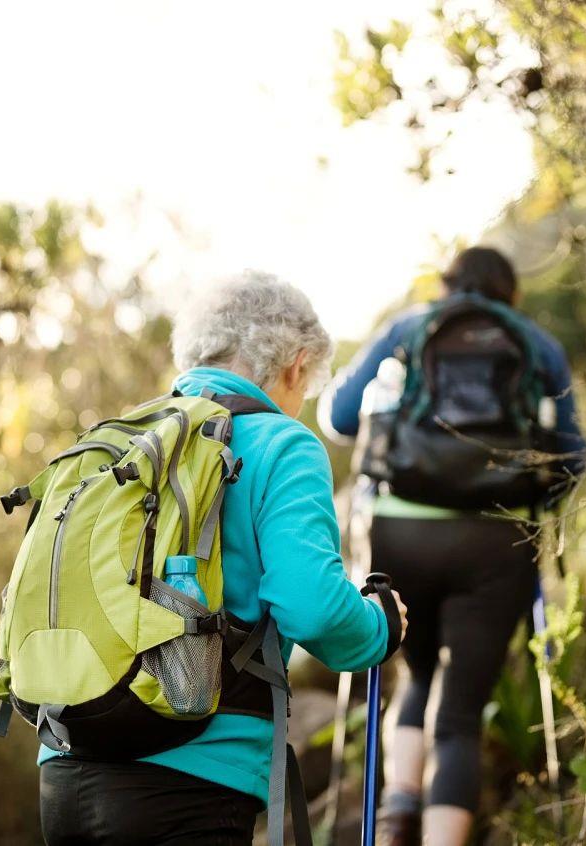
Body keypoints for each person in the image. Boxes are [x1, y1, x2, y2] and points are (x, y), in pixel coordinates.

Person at [39, 271, 408, 845]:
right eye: (305, 383)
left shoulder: (124, 440)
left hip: (65, 767)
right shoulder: (280, 444)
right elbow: (314, 609)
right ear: (296, 363)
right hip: (191, 779)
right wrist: (380, 627)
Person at [318, 246, 586, 846]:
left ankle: (395, 822)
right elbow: (573, 457)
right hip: (497, 537)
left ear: (449, 286)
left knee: (415, 676)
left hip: (399, 531)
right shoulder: (535, 343)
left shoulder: (410, 327)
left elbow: (337, 417)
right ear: (510, 293)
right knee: (460, 713)